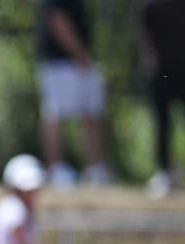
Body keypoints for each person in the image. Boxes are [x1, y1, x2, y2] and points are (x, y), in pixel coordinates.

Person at [139, 0, 185, 199]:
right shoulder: (149, 4)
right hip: (160, 72)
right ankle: (165, 172)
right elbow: (144, 35)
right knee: (162, 124)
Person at [36, 0, 110, 188]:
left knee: (91, 113)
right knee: (55, 115)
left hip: (80, 60)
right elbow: (57, 20)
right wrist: (79, 53)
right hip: (59, 62)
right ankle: (57, 169)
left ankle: (94, 170)